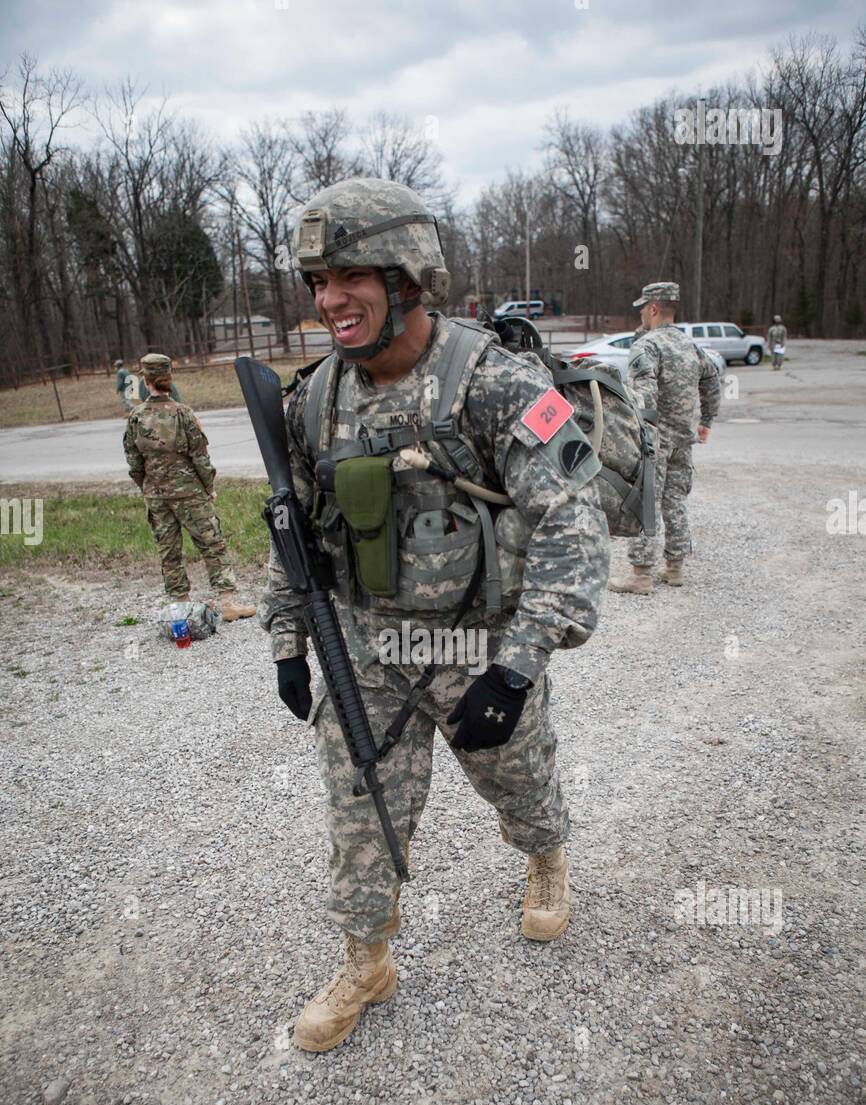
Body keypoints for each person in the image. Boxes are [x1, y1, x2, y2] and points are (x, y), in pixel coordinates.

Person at [259, 177, 610, 1053]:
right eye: (316, 283)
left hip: (478, 645)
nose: (328, 300)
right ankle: (366, 958)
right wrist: (287, 642)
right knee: (358, 813)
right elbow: (290, 528)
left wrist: (518, 666)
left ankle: (545, 859)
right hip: (368, 651)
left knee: (521, 785)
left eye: (349, 276)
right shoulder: (313, 400)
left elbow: (573, 523)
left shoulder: (496, 380)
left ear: (409, 277)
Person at [123, 353, 255, 621]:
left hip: (156, 496)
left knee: (169, 551)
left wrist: (148, 487)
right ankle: (227, 602)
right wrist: (209, 487)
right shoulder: (184, 414)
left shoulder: (135, 417)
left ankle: (180, 605)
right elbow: (200, 457)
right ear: (169, 378)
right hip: (190, 493)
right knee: (212, 545)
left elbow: (134, 462)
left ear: (146, 381)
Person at [608, 282, 720, 593]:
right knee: (675, 501)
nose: (641, 313)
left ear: (654, 309)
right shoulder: (689, 345)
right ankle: (674, 568)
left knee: (647, 500)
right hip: (683, 438)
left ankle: (641, 575)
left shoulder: (648, 346)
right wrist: (706, 420)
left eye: (643, 307)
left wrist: (635, 431)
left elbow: (644, 397)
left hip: (655, 440)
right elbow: (712, 381)